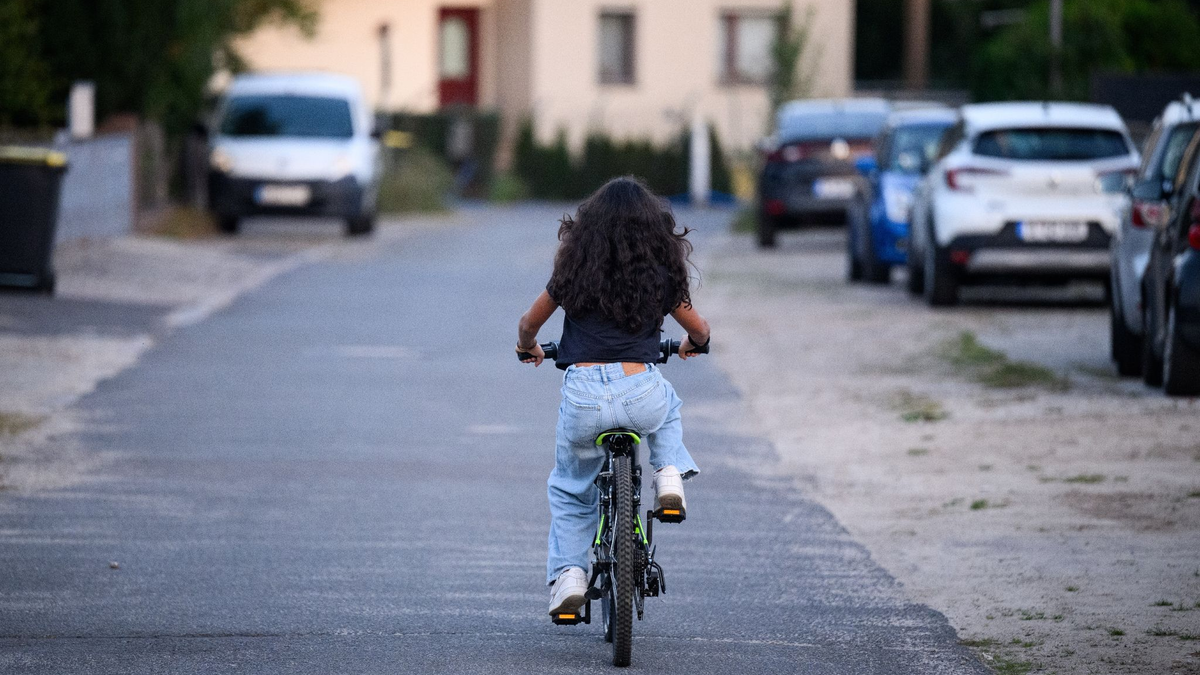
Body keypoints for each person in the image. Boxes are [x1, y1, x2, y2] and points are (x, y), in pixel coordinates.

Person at [516, 176, 711, 617]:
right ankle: (668, 475)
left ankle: (569, 575)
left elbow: (530, 324)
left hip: (583, 395)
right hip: (639, 387)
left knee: (570, 490)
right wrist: (692, 344)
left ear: (587, 230)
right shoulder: (659, 276)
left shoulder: (572, 274)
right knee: (667, 405)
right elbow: (699, 330)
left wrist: (528, 345)